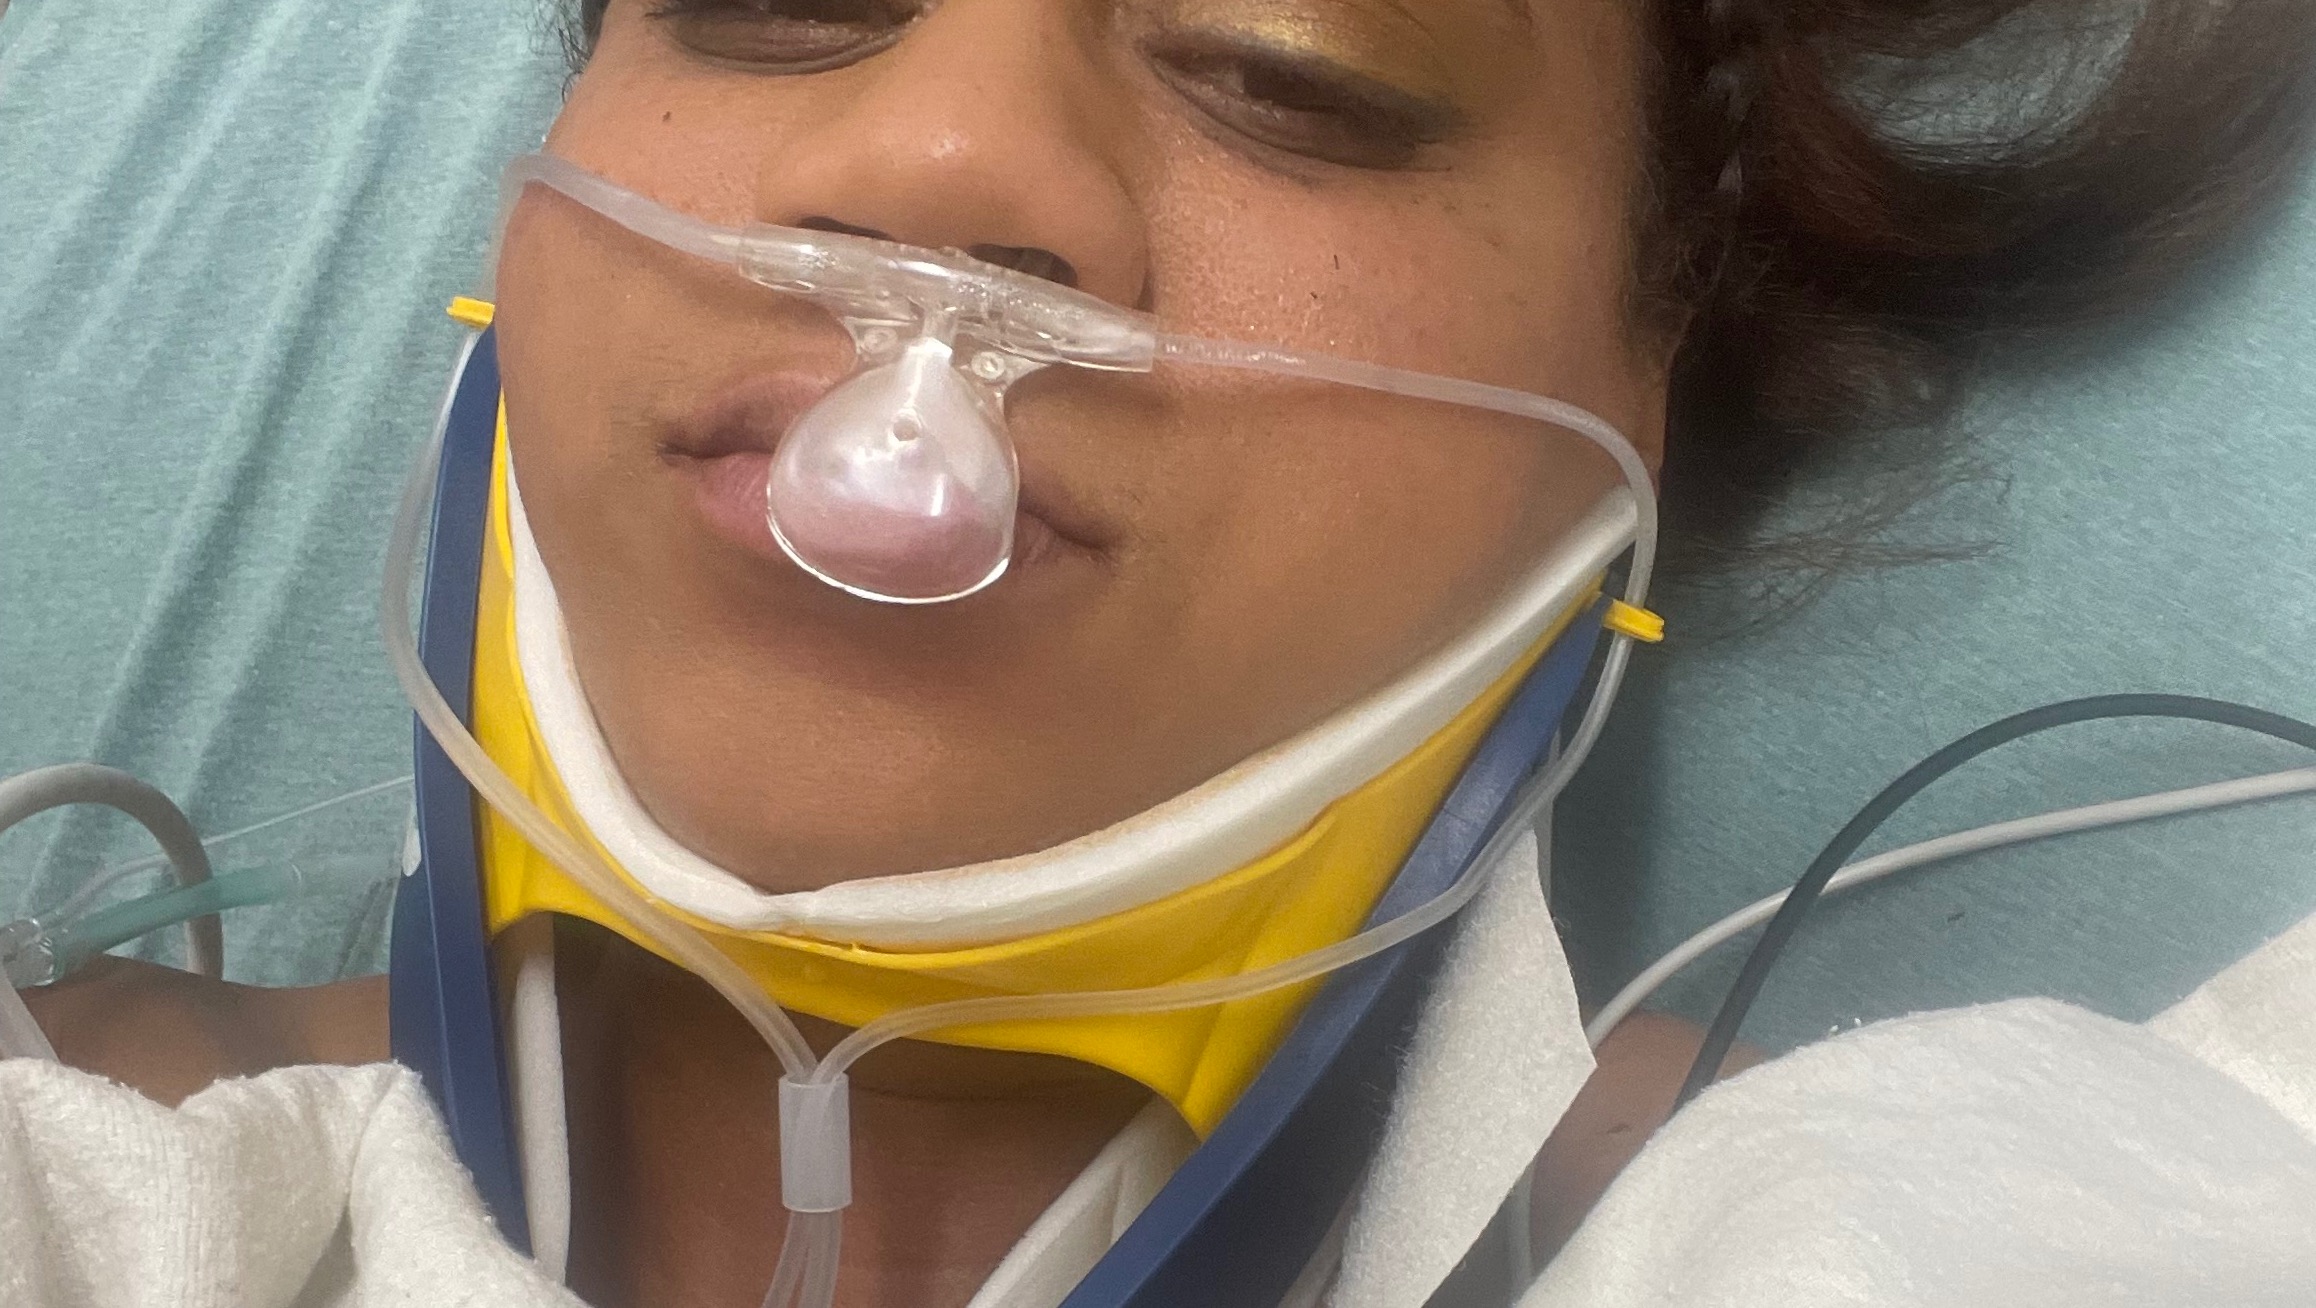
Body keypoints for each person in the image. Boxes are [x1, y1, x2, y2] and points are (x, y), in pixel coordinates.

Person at [17, 0, 2316, 1304]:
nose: (936, 163)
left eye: (1290, 60)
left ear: (1635, 390)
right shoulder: (85, 1133)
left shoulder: (1925, 1220)